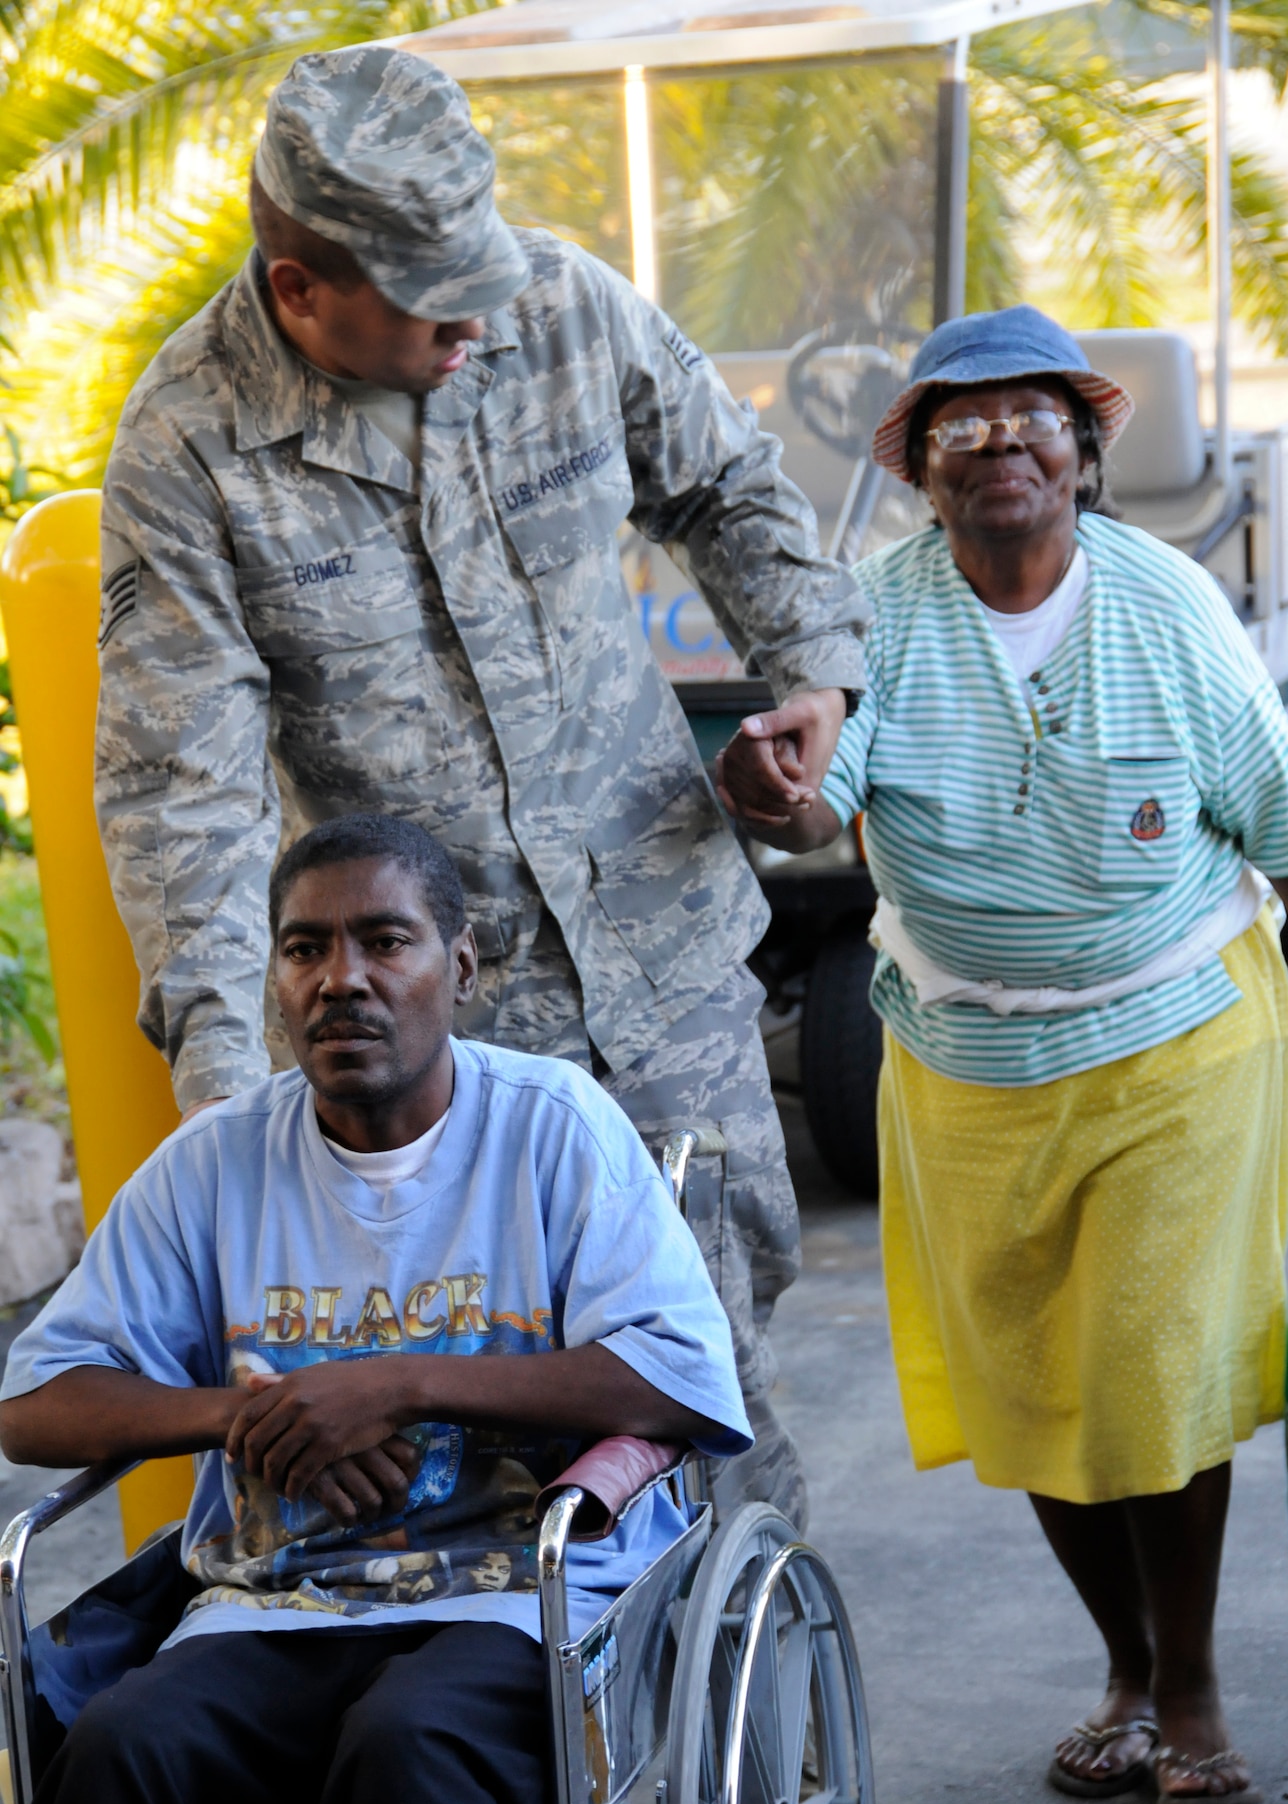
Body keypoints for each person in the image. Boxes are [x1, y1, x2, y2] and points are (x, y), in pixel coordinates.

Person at [94, 45, 869, 1530]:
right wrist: (245, 1141)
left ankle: (742, 1747)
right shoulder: (189, 448)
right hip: (440, 1051)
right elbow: (183, 810)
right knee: (470, 1456)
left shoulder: (562, 304)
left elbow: (732, 487)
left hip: (665, 985)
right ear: (300, 286)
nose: (476, 316)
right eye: (425, 296)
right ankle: (548, 1757)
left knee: (713, 1400)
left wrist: (815, 685)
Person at [717, 304, 1288, 1804]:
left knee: (1146, 1369)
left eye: (1033, 416)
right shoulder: (876, 614)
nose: (1001, 442)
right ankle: (1118, 1665)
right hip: (965, 1060)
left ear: (1085, 450)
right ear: (923, 469)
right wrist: (769, 785)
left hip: (1175, 1039)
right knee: (1035, 1388)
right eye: (961, 424)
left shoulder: (1171, 606)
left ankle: (1187, 1693)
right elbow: (814, 793)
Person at [0, 813, 751, 1804]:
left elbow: (678, 1377)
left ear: (459, 964)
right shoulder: (215, 1162)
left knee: (409, 1752)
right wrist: (258, 1420)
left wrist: (395, 1383)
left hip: (514, 1598)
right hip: (277, 1597)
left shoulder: (549, 1127)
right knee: (116, 1755)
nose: (339, 977)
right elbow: (33, 1402)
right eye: (303, 948)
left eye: (382, 940)